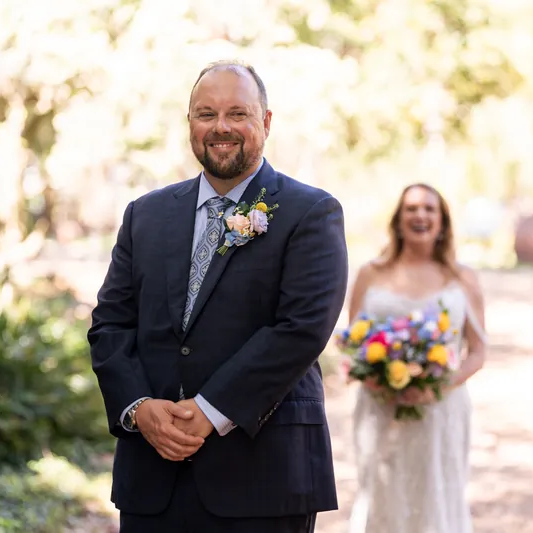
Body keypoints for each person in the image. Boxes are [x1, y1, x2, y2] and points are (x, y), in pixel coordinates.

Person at [87, 60, 349, 533]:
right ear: (190, 123)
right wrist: (137, 408)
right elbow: (110, 325)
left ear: (265, 122)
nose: (221, 127)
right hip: (152, 475)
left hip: (263, 475)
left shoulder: (310, 212)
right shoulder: (144, 215)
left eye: (237, 114)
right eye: (206, 114)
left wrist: (210, 411)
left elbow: (301, 329)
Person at [347, 183, 487, 533]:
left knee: (437, 496)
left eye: (429, 209)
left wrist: (436, 386)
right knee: (383, 494)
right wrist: (377, 378)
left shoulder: (463, 278)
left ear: (442, 222)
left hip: (441, 409)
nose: (420, 215)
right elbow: (352, 341)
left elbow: (478, 351)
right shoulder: (371, 273)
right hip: (380, 405)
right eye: (411, 209)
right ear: (398, 220)